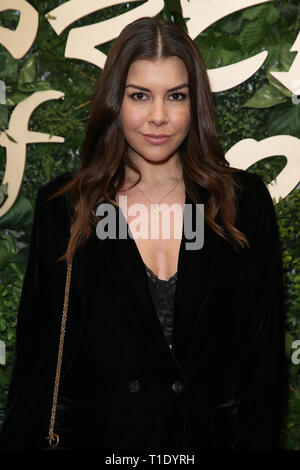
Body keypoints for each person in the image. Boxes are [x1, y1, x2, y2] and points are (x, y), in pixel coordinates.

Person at [0, 16, 286, 450]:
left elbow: (262, 372)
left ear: (196, 104)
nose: (158, 116)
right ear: (116, 101)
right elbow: (38, 369)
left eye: (175, 96)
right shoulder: (67, 206)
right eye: (140, 96)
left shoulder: (242, 203)